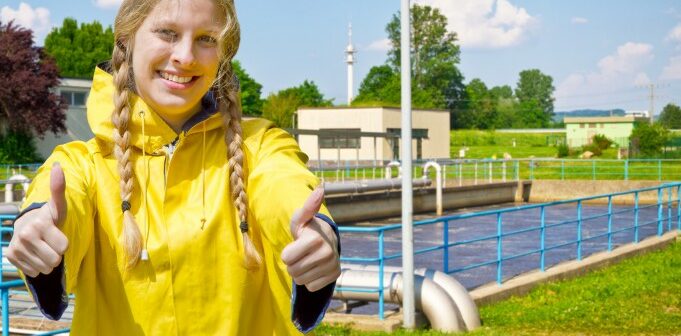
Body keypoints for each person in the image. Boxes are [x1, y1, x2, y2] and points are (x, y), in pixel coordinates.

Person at [6, 0, 341, 334]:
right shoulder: (80, 164)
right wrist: (38, 230)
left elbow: (284, 188)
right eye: (167, 33)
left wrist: (317, 234)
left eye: (207, 39)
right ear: (126, 39)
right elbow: (58, 208)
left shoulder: (264, 146)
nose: (186, 56)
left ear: (224, 52)